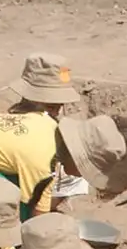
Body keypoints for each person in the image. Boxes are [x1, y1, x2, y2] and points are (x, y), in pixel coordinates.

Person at [0, 112, 126, 221]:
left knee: (27, 193)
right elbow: (38, 216)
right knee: (6, 206)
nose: (81, 175)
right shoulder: (42, 163)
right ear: (76, 156)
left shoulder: (50, 125)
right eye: (83, 169)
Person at [6, 52, 90, 208]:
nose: (57, 110)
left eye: (60, 105)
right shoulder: (16, 123)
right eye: (51, 106)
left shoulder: (52, 123)